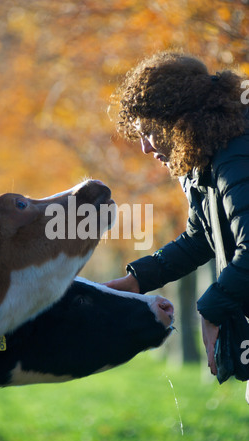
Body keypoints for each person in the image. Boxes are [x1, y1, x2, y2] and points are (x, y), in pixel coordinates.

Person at [106, 51, 249, 376]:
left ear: (179, 121)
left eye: (149, 132)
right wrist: (137, 280)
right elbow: (201, 238)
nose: (144, 148)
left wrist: (210, 310)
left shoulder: (235, 155)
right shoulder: (205, 158)